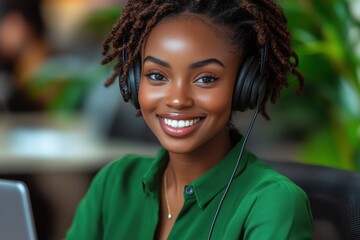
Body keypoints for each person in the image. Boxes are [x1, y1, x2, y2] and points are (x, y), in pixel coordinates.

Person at [66, 0, 313, 239]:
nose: (178, 100)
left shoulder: (272, 203)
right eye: (156, 75)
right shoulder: (115, 182)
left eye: (205, 78)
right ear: (134, 79)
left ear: (244, 86)